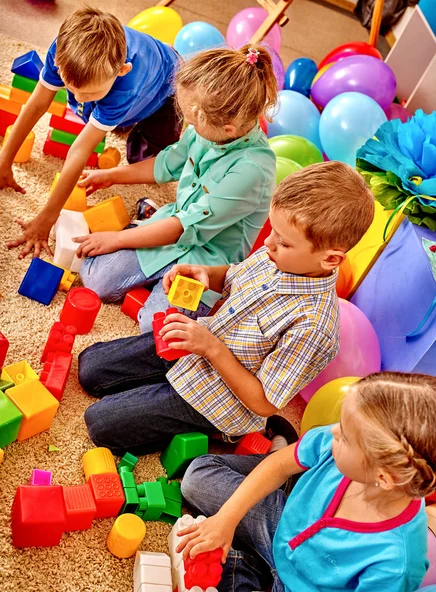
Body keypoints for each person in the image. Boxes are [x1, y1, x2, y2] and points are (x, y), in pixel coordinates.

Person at [78, 162, 375, 456]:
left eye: (283, 242)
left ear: (331, 259)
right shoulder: (275, 255)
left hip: (217, 400)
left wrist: (211, 348)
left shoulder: (314, 328)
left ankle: (221, 434)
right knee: (90, 367)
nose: (268, 243)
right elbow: (234, 275)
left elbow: (264, 402)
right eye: (272, 230)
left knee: (100, 424)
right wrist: (205, 273)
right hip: (195, 348)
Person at [178, 371, 436, 592]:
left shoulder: (396, 563)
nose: (333, 430)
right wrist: (227, 519)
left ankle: (249, 566)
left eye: (345, 435)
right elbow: (278, 465)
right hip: (280, 524)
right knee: (197, 477)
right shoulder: (334, 443)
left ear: (383, 477)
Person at [73, 44, 278, 330]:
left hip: (205, 260)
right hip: (169, 230)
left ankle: (159, 266)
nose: (187, 124)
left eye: (192, 120)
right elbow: (167, 164)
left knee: (156, 329)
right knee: (95, 279)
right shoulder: (208, 130)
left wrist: (117, 239)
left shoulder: (253, 170)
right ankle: (149, 226)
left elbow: (184, 227)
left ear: (228, 129)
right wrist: (112, 175)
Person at [4, 7, 181, 258]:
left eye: (88, 94)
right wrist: (4, 161)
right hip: (127, 82)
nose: (76, 98)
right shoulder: (62, 50)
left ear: (121, 70)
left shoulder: (126, 86)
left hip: (168, 90)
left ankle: (131, 122)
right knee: (98, 114)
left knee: (141, 158)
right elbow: (37, 103)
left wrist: (47, 219)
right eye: (70, 88)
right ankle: (116, 115)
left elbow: (80, 149)